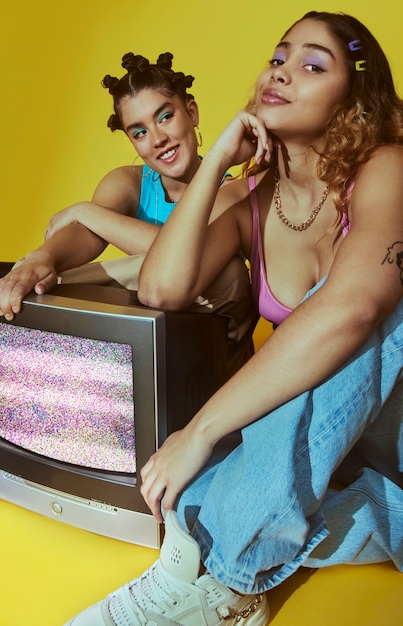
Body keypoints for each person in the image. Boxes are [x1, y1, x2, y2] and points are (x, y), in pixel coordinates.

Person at [63, 10, 403, 626]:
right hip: (350, 461)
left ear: (353, 98)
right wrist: (218, 155)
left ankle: (223, 575)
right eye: (278, 58)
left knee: (361, 307)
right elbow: (164, 288)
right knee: (205, 487)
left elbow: (353, 308)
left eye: (312, 65)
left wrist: (198, 433)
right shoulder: (253, 201)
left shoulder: (388, 170)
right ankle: (216, 550)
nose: (282, 73)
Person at [0, 52, 257, 376]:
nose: (158, 139)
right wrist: (40, 259)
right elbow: (86, 235)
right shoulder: (127, 183)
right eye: (139, 132)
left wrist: (86, 211)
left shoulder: (232, 193)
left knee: (224, 271)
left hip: (216, 357)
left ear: (192, 112)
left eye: (165, 116)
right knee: (42, 279)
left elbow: (174, 259)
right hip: (154, 350)